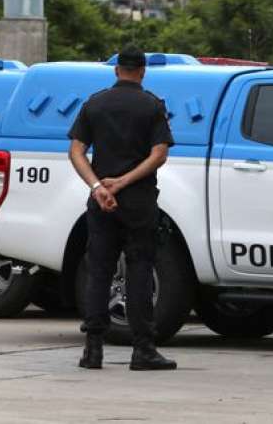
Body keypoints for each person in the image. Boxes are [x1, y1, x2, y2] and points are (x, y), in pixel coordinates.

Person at [67, 46, 177, 371]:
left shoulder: (95, 103)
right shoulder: (152, 106)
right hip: (139, 201)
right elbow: (159, 154)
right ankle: (143, 349)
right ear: (142, 71)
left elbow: (75, 151)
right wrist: (123, 182)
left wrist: (99, 186)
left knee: (99, 270)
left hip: (101, 202)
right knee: (140, 269)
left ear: (116, 71)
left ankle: (92, 350)